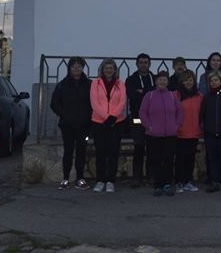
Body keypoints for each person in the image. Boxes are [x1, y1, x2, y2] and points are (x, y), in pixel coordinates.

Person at [49, 56, 92, 190]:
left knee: (81, 151)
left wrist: (88, 117)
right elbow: (54, 104)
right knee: (68, 151)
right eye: (74, 66)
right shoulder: (62, 85)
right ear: (69, 68)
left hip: (84, 125)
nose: (77, 68)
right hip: (67, 125)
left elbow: (94, 103)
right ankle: (65, 179)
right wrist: (65, 116)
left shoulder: (90, 84)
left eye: (79, 66)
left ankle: (80, 178)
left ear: (82, 68)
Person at [140, 70, 184, 196]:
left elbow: (180, 112)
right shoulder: (149, 96)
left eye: (164, 79)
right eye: (160, 79)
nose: (162, 82)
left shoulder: (172, 96)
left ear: (167, 82)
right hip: (154, 135)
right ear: (156, 81)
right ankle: (158, 184)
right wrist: (149, 126)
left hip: (170, 134)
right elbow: (143, 112)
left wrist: (177, 125)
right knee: (156, 160)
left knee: (169, 159)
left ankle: (167, 184)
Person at [89, 58, 127, 193]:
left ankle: (110, 180)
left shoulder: (120, 84)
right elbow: (94, 102)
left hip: (116, 123)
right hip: (99, 122)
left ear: (115, 70)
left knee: (113, 152)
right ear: (102, 70)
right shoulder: (95, 83)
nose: (109, 70)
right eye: (106, 68)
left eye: (111, 68)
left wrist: (113, 117)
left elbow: (122, 102)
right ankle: (100, 180)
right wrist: (106, 117)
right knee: (100, 152)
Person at [125, 53, 157, 188]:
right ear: (137, 64)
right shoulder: (131, 79)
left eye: (146, 62)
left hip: (153, 120)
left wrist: (142, 92)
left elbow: (156, 96)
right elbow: (132, 96)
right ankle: (136, 177)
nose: (143, 64)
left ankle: (151, 176)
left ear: (149, 64)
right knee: (138, 148)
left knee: (152, 149)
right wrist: (147, 92)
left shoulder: (155, 78)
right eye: (141, 62)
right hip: (137, 119)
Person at [173, 71, 202, 193]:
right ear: (181, 82)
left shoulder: (199, 96)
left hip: (194, 131)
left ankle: (187, 181)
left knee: (190, 158)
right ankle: (179, 181)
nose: (188, 82)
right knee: (180, 158)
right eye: (185, 80)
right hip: (180, 132)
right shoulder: (175, 95)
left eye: (190, 80)